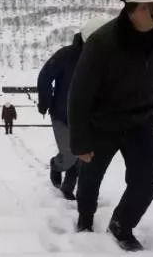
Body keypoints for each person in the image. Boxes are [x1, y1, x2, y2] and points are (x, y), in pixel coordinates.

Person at [67, 0, 153, 252]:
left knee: (146, 182)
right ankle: (85, 219)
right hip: (102, 124)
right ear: (145, 6)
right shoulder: (102, 43)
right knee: (90, 178)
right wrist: (80, 141)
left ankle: (122, 224)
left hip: (140, 122)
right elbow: (79, 95)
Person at [37, 16, 105, 200]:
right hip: (61, 114)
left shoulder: (105, 58)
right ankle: (56, 165)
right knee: (68, 155)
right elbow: (45, 76)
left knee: (82, 156)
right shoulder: (66, 55)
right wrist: (45, 102)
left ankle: (67, 187)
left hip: (87, 118)